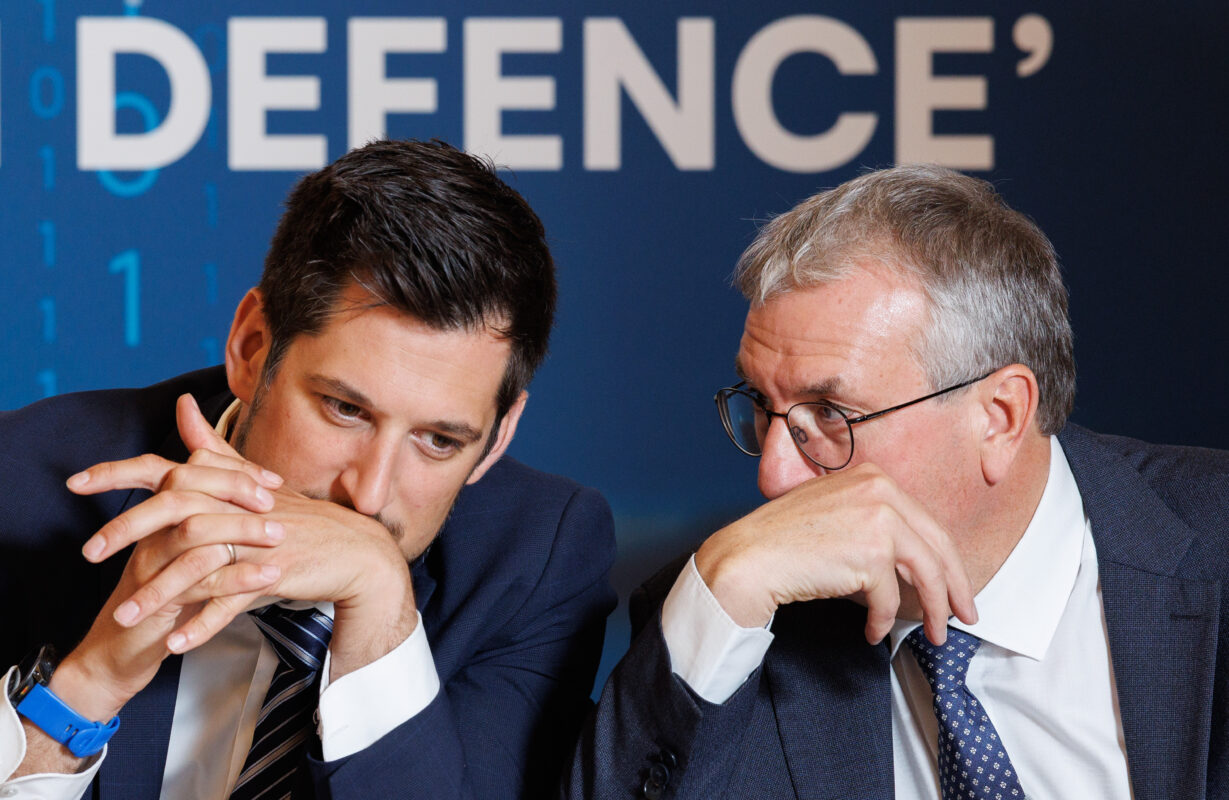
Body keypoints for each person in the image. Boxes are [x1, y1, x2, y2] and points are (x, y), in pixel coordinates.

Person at [565, 164, 1227, 799]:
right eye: (763, 406)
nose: (773, 476)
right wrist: (727, 587)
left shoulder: (1213, 544)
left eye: (830, 414)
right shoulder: (729, 614)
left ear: (998, 417)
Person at [0, 139, 616, 799]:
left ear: (497, 437)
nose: (368, 496)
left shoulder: (535, 562)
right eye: (345, 409)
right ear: (252, 348)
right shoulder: (22, 482)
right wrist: (90, 684)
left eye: (439, 440)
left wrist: (381, 603)